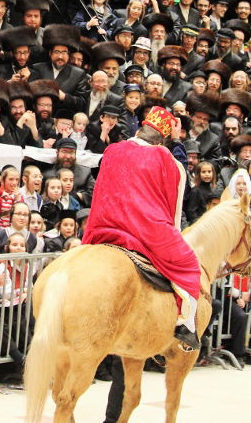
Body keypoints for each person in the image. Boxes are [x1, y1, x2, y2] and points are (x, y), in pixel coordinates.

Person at [83, 105, 200, 349]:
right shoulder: (165, 158)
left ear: (141, 128)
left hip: (101, 228)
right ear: (163, 139)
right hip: (143, 231)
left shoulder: (112, 150)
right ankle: (186, 326)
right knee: (189, 263)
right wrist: (176, 142)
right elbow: (175, 210)